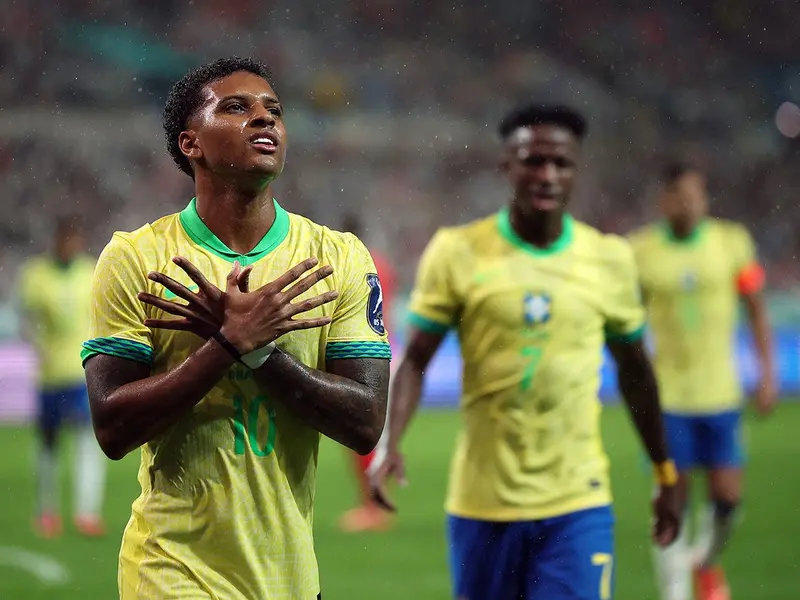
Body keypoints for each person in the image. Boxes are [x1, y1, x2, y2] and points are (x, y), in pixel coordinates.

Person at [81, 57, 391, 600]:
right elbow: (113, 428)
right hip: (171, 573)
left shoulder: (339, 258)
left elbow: (365, 423)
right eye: (236, 107)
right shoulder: (136, 257)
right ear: (191, 143)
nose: (265, 119)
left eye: (273, 111)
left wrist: (259, 353)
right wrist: (225, 345)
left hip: (291, 580)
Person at [370, 103, 682, 600]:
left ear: (577, 170)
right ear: (506, 166)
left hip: (577, 501)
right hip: (481, 505)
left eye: (561, 163)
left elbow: (636, 372)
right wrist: (391, 441)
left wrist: (665, 471)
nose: (547, 175)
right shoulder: (457, 251)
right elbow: (416, 362)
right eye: (533, 161)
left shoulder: (609, 259)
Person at [628, 162, 776, 600]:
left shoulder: (731, 243)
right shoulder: (640, 251)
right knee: (672, 499)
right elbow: (626, 323)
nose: (688, 203)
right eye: (678, 195)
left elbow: (756, 309)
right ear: (663, 200)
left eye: (696, 194)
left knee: (728, 499)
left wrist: (766, 373)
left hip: (721, 394)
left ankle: (705, 561)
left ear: (705, 196)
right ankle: (675, 593)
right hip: (668, 397)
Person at [17, 215, 107, 538]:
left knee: (87, 440)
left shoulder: (91, 272)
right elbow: (26, 318)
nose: (70, 245)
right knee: (49, 444)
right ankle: (47, 512)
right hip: (50, 374)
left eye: (74, 239)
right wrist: (35, 342)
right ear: (57, 241)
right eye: (65, 239)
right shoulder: (36, 276)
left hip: (84, 373)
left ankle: (87, 513)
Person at [337, 212, 396, 533]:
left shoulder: (352, 264)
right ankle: (371, 504)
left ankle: (375, 507)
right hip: (386, 350)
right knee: (364, 434)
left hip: (367, 355)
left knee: (367, 435)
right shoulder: (381, 264)